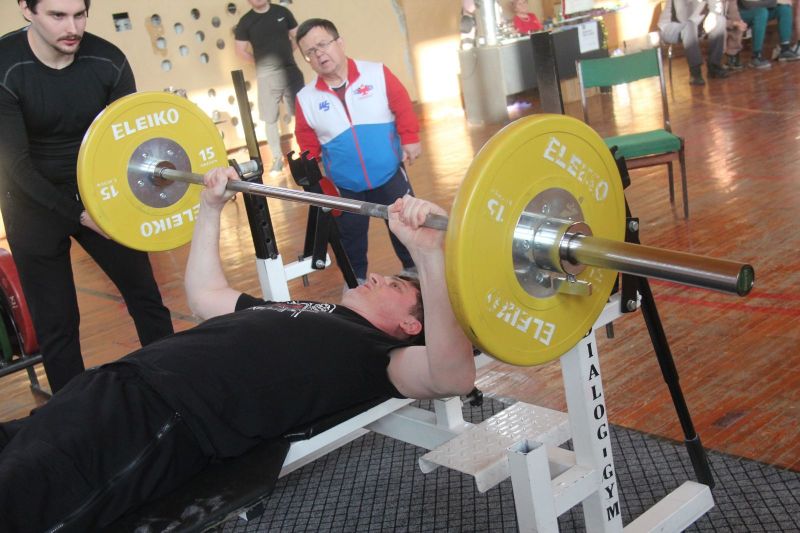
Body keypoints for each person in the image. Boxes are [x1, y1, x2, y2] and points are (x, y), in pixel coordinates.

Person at [0, 166, 476, 531]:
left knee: (19, 496)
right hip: (113, 382)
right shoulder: (307, 310)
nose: (376, 277)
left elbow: (452, 377)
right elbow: (205, 295)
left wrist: (427, 254)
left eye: (395, 284)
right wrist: (211, 207)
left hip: (161, 418)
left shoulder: (377, 356)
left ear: (410, 324)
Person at [0, 0, 173, 393]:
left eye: (79, 15)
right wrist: (78, 214)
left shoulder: (107, 61)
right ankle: (75, 416)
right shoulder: (7, 66)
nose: (72, 28)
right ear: (26, 10)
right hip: (30, 202)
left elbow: (129, 142)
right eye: (57, 16)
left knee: (146, 297)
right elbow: (15, 166)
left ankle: (172, 390)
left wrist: (122, 204)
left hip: (98, 189)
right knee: (57, 324)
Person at [293, 18, 422, 284]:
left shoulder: (376, 73)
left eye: (323, 44)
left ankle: (414, 271)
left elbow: (402, 105)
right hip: (345, 184)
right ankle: (356, 282)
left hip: (389, 172)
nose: (319, 54)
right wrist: (312, 173)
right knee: (349, 236)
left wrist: (410, 137)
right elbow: (306, 140)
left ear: (339, 43)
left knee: (404, 225)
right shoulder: (306, 98)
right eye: (310, 52)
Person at [234, 0, 305, 177]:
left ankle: (305, 153)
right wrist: (260, 62)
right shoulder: (246, 21)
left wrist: (287, 53)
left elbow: (297, 36)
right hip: (266, 76)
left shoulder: (282, 12)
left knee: (300, 114)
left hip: (290, 71)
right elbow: (240, 50)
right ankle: (277, 159)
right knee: (270, 118)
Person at [658, 0, 729, 85]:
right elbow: (683, 17)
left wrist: (713, 14)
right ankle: (695, 71)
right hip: (671, 27)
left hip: (694, 23)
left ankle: (714, 65)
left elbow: (717, 6)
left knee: (720, 20)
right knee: (689, 25)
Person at [736, 0, 800, 68]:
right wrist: (775, 2)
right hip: (742, 13)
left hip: (762, 8)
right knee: (761, 12)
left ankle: (785, 49)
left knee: (784, 8)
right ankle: (756, 56)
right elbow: (748, 4)